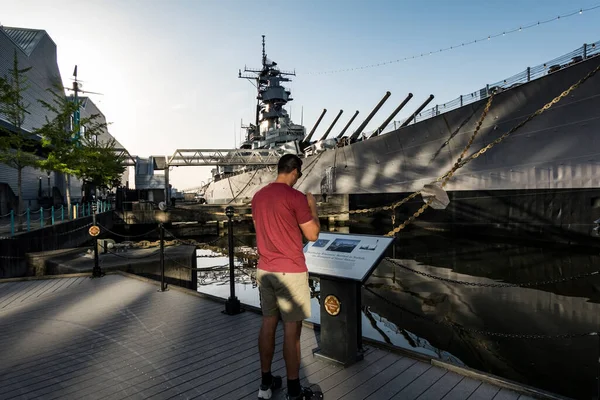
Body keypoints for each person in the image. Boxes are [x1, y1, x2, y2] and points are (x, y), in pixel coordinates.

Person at [252, 154, 323, 400]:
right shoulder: (296, 197)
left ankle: (265, 385)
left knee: (268, 324)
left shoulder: (258, 196)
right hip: (290, 271)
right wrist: (312, 206)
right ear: (294, 171)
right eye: (298, 175)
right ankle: (294, 391)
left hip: (265, 270)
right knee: (292, 332)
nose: (297, 179)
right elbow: (312, 234)